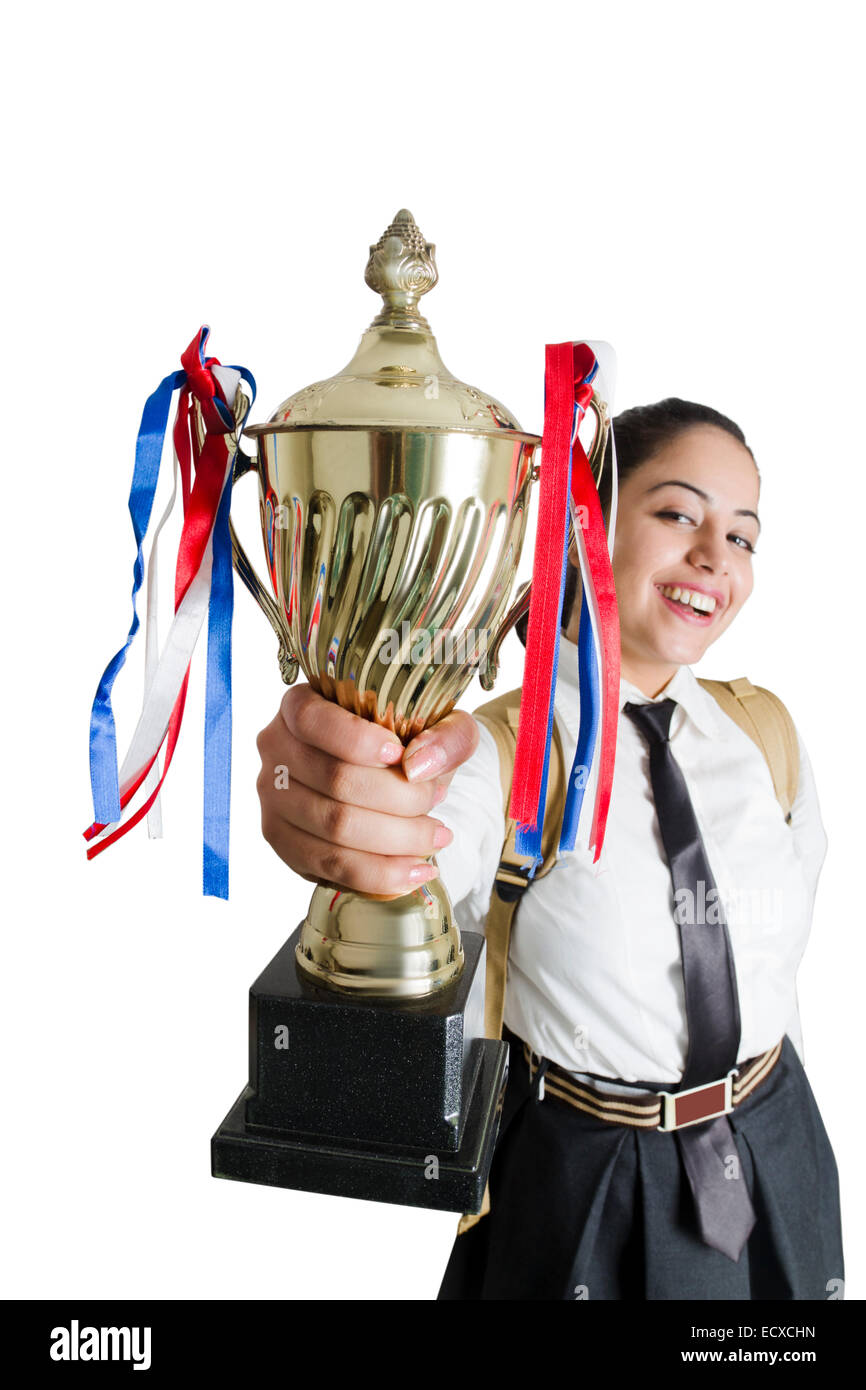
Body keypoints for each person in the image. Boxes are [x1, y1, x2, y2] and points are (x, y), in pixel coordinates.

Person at [254, 399, 844, 1301]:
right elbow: (403, 860)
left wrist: (785, 1127)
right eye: (679, 513)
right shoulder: (499, 755)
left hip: (776, 1148)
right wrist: (338, 810)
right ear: (590, 521)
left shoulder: (766, 736)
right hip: (591, 1177)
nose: (714, 557)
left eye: (744, 536)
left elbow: (777, 977)